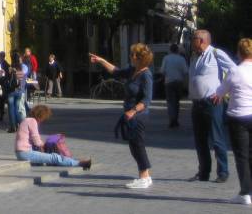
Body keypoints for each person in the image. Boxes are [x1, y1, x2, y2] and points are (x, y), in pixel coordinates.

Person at [90, 44, 154, 189]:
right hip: (130, 115)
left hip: (139, 116)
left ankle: (144, 177)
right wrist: (101, 60)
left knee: (138, 145)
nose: (131, 56)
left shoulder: (146, 75)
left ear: (140, 58)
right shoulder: (133, 71)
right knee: (134, 146)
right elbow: (116, 71)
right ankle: (145, 175)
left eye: (133, 55)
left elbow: (147, 100)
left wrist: (133, 111)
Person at [188, 29, 236, 184]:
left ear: (201, 40)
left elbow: (234, 70)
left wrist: (223, 91)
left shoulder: (216, 53)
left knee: (217, 138)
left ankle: (223, 172)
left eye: (193, 38)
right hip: (197, 103)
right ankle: (204, 172)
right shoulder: (194, 56)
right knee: (200, 140)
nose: (191, 41)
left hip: (212, 102)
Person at [214, 38, 252, 205]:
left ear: (238, 53)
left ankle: (245, 192)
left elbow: (221, 91)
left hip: (238, 116)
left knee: (242, 156)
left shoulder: (235, 71)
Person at [14, 104, 91, 169]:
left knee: (49, 156)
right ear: (40, 115)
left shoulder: (26, 120)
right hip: (25, 153)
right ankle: (79, 163)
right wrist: (45, 144)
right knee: (55, 157)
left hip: (21, 152)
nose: (42, 120)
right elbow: (37, 141)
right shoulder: (32, 121)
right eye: (43, 117)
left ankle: (72, 161)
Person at [161, 43, 189, 129]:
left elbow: (162, 70)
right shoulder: (181, 59)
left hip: (169, 82)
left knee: (170, 102)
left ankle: (171, 120)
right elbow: (185, 71)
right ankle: (176, 120)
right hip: (178, 82)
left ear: (170, 50)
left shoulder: (166, 58)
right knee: (177, 102)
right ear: (177, 50)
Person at [7, 52, 28, 133]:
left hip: (11, 91)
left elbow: (6, 78)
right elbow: (23, 77)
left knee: (11, 109)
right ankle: (21, 125)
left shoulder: (10, 68)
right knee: (17, 108)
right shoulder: (23, 67)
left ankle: (13, 127)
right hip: (19, 90)